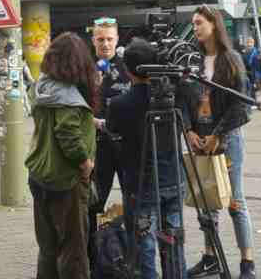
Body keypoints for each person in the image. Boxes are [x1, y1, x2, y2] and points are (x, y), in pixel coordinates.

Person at [185, 6, 256, 279]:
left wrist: (218, 135)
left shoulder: (231, 59)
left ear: (214, 24)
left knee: (235, 201)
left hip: (227, 138)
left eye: (199, 23)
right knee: (207, 202)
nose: (195, 28)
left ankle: (247, 263)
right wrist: (190, 130)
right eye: (193, 24)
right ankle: (210, 256)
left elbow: (240, 107)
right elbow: (184, 99)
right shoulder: (193, 60)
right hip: (200, 139)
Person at [105, 37, 186, 279]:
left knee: (144, 245)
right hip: (174, 179)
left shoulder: (120, 104)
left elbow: (114, 132)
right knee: (173, 240)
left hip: (142, 184)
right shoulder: (173, 96)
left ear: (128, 71)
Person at [25, 32, 98, 279]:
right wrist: (85, 162)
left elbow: (55, 122)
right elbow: (67, 132)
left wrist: (90, 121)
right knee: (73, 250)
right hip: (65, 180)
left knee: (47, 247)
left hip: (39, 174)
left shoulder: (44, 87)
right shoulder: (67, 96)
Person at [90, 17, 129, 217]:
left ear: (117, 40)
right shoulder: (87, 69)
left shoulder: (128, 67)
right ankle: (92, 245)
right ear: (93, 41)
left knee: (131, 199)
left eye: (109, 39)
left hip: (125, 145)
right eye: (100, 39)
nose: (105, 44)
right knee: (94, 202)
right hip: (98, 146)